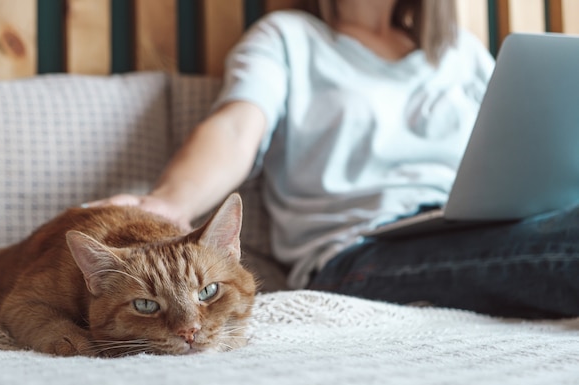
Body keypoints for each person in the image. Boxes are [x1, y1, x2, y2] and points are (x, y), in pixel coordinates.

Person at [88, 0, 579, 319]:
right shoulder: (287, 37)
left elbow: (525, 140)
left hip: (486, 224)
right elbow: (237, 128)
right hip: (359, 252)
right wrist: (170, 202)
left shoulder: (461, 53)